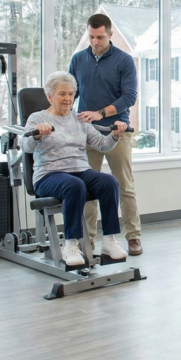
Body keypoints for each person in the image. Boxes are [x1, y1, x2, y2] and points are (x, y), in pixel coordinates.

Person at [22, 72, 130, 267]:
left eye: (71, 94)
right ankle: (71, 244)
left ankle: (109, 241)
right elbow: (26, 147)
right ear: (49, 96)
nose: (68, 98)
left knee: (109, 182)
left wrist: (115, 135)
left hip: (80, 170)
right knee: (74, 185)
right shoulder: (37, 118)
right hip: (48, 174)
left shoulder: (80, 119)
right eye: (62, 94)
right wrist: (37, 135)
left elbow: (101, 145)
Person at [69, 13, 143, 256]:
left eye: (100, 37)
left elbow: (129, 97)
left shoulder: (124, 60)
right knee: (86, 187)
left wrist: (100, 113)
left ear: (110, 34)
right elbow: (71, 93)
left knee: (124, 186)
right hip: (87, 133)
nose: (95, 42)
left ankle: (133, 237)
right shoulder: (78, 59)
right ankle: (87, 240)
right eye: (91, 37)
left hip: (116, 131)